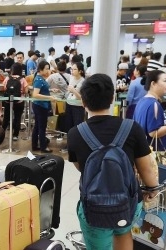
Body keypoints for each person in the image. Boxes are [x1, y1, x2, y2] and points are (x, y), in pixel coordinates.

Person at [67, 73, 159, 250]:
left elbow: (82, 169)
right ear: (112, 98)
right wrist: (152, 189)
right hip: (128, 202)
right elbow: (146, 169)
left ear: (83, 102)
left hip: (93, 207)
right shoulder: (132, 128)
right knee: (123, 231)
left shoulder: (75, 133)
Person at [133, 70, 166, 151]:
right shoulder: (154, 104)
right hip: (153, 152)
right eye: (164, 81)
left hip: (142, 150)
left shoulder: (141, 101)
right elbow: (153, 132)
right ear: (153, 84)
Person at [31, 61, 56, 153]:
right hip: (40, 106)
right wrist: (49, 97)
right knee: (41, 127)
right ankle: (43, 147)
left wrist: (50, 90)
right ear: (40, 69)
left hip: (41, 105)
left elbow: (41, 90)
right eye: (46, 68)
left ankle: (35, 145)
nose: (48, 70)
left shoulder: (40, 78)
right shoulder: (38, 79)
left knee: (38, 126)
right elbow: (35, 94)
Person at [2, 63, 29, 141]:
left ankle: (2, 133)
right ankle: (15, 135)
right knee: (17, 118)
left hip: (8, 101)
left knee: (6, 118)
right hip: (19, 101)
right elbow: (26, 90)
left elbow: (4, 88)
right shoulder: (22, 79)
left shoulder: (7, 78)